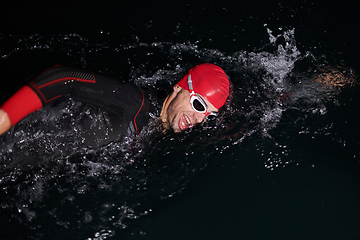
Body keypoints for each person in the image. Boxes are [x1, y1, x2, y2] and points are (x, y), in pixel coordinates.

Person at [0, 63, 230, 148]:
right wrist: (4, 118)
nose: (199, 119)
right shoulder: (133, 101)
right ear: (179, 87)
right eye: (199, 105)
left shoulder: (161, 126)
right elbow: (62, 77)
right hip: (16, 145)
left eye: (208, 115)